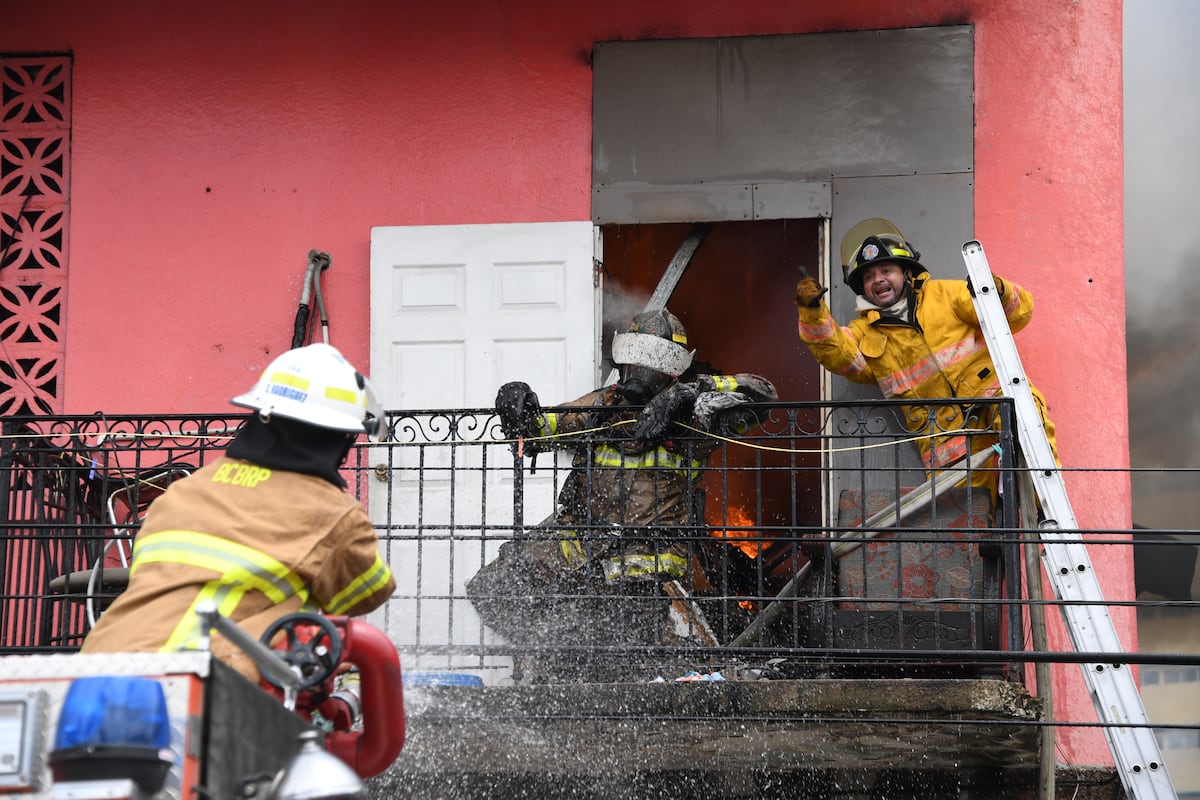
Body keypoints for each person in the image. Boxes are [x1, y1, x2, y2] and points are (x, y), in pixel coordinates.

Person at [465, 308, 778, 683]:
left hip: (638, 562)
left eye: (657, 362)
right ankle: (549, 648)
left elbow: (763, 392)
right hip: (582, 545)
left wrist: (686, 394)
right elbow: (539, 431)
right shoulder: (603, 405)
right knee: (494, 588)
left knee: (608, 647)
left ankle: (648, 660)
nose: (642, 373)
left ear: (674, 369)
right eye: (637, 358)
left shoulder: (695, 416)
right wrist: (516, 403)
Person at [82, 343, 396, 683]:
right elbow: (367, 593)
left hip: (92, 672)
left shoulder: (183, 492)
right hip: (190, 693)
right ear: (339, 439)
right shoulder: (331, 513)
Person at [793, 217, 1058, 492]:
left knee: (1037, 480)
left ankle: (1045, 519)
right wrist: (812, 312)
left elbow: (1014, 316)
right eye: (869, 276)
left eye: (886, 270)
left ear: (907, 272)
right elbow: (839, 356)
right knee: (966, 525)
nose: (878, 279)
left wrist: (996, 291)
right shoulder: (864, 332)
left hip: (1001, 410)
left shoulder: (946, 294)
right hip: (948, 444)